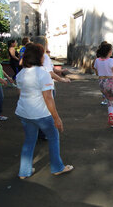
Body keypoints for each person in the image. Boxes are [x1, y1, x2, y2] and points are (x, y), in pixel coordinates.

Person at [15, 43, 73, 179]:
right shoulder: (43, 74)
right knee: (53, 137)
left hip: (24, 112)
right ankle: (57, 167)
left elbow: (20, 93)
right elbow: (48, 98)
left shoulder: (21, 73)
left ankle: (24, 171)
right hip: (41, 114)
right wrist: (56, 118)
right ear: (39, 57)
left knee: (29, 140)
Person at [93, 41, 113, 128]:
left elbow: (96, 72)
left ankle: (110, 114)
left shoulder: (97, 61)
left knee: (109, 99)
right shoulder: (112, 61)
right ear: (109, 51)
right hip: (111, 82)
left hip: (101, 83)